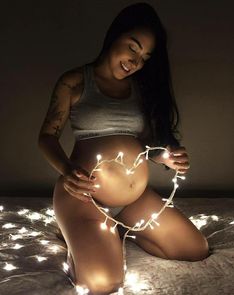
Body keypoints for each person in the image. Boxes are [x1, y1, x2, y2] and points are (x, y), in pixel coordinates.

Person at [38, 2, 209, 294]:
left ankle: (117, 232)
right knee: (103, 283)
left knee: (196, 248)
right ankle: (78, 237)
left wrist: (166, 157)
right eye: (133, 47)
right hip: (85, 200)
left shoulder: (140, 89)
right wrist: (67, 171)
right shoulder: (75, 81)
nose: (136, 61)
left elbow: (143, 145)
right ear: (114, 36)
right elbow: (47, 137)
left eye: (144, 57)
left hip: (134, 201)